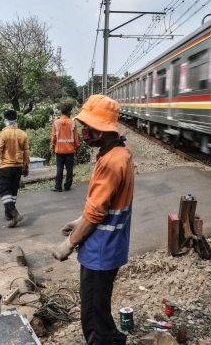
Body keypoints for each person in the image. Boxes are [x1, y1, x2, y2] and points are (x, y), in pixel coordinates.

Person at [52, 95, 135, 345]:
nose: (85, 132)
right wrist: (80, 220)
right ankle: (114, 339)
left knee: (91, 315)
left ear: (101, 129)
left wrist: (70, 243)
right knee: (99, 305)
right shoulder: (122, 153)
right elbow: (105, 204)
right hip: (112, 246)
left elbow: (96, 214)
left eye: (88, 127)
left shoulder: (110, 162)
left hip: (100, 250)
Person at [0, 109, 30, 227]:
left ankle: (14, 214)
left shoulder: (2, 134)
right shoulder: (23, 134)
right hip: (18, 167)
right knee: (13, 190)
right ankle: (9, 214)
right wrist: (26, 166)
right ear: (16, 119)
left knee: (3, 190)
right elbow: (26, 152)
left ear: (5, 120)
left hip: (6, 166)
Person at [50, 101, 80, 192]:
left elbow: (53, 137)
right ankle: (67, 186)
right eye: (70, 111)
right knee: (69, 169)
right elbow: (76, 138)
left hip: (59, 150)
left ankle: (58, 186)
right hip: (70, 150)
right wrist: (77, 147)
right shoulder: (72, 123)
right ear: (68, 112)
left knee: (59, 168)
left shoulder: (56, 123)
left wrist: (53, 146)